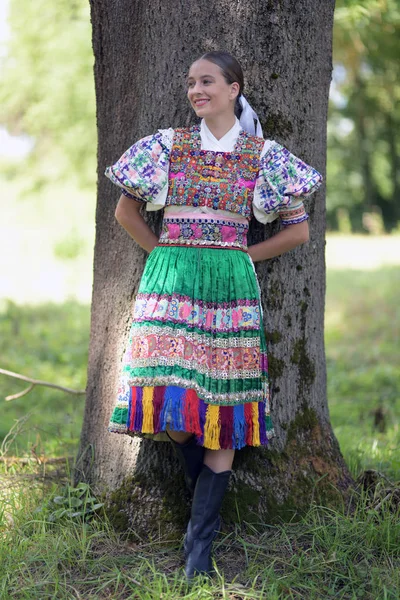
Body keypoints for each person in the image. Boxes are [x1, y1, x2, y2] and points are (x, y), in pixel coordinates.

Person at [105, 51, 322, 578]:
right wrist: (162, 252)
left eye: (206, 82)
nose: (195, 90)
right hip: (171, 282)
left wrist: (243, 255)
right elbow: (125, 211)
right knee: (178, 411)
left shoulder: (262, 155)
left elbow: (298, 231)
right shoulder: (167, 147)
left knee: (221, 412)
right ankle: (195, 519)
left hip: (231, 287)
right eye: (190, 82)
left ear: (234, 89)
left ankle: (198, 548)